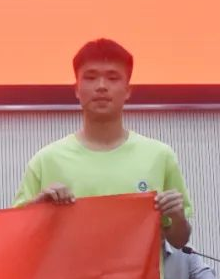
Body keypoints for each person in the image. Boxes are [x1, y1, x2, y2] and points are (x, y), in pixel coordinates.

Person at [14, 38, 192, 249]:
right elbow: (17, 237)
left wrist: (177, 216)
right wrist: (38, 207)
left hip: (140, 273)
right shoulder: (46, 160)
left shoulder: (159, 156)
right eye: (90, 77)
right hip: (67, 272)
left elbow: (179, 240)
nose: (101, 86)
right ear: (77, 89)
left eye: (113, 78)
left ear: (128, 90)